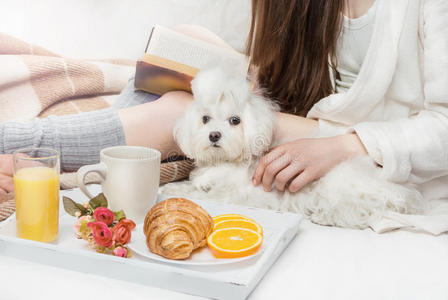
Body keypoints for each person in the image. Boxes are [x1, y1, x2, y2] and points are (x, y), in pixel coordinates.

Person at [1, 0, 447, 227]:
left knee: (179, 109)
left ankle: (22, 148)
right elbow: (305, 78)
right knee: (185, 39)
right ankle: (58, 151)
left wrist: (344, 146)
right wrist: (245, 73)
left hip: (360, 138)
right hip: (311, 112)